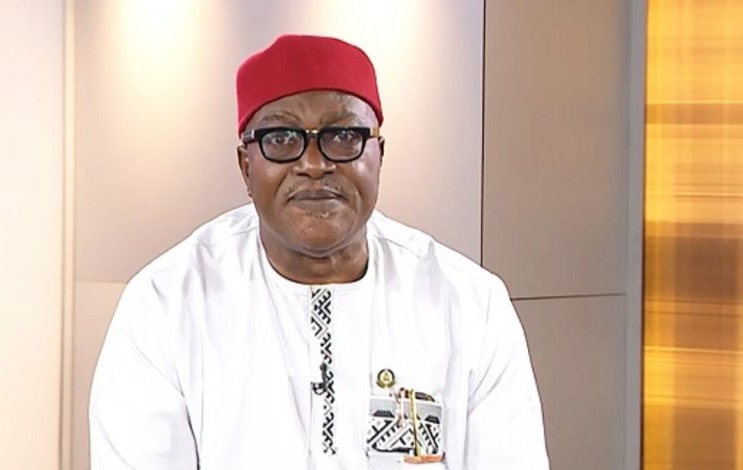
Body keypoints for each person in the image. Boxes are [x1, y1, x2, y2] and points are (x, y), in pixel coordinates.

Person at [89, 34, 550, 469]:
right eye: (282, 139)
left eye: (343, 135)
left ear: (379, 155)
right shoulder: (165, 305)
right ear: (246, 166)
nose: (314, 164)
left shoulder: (470, 305)